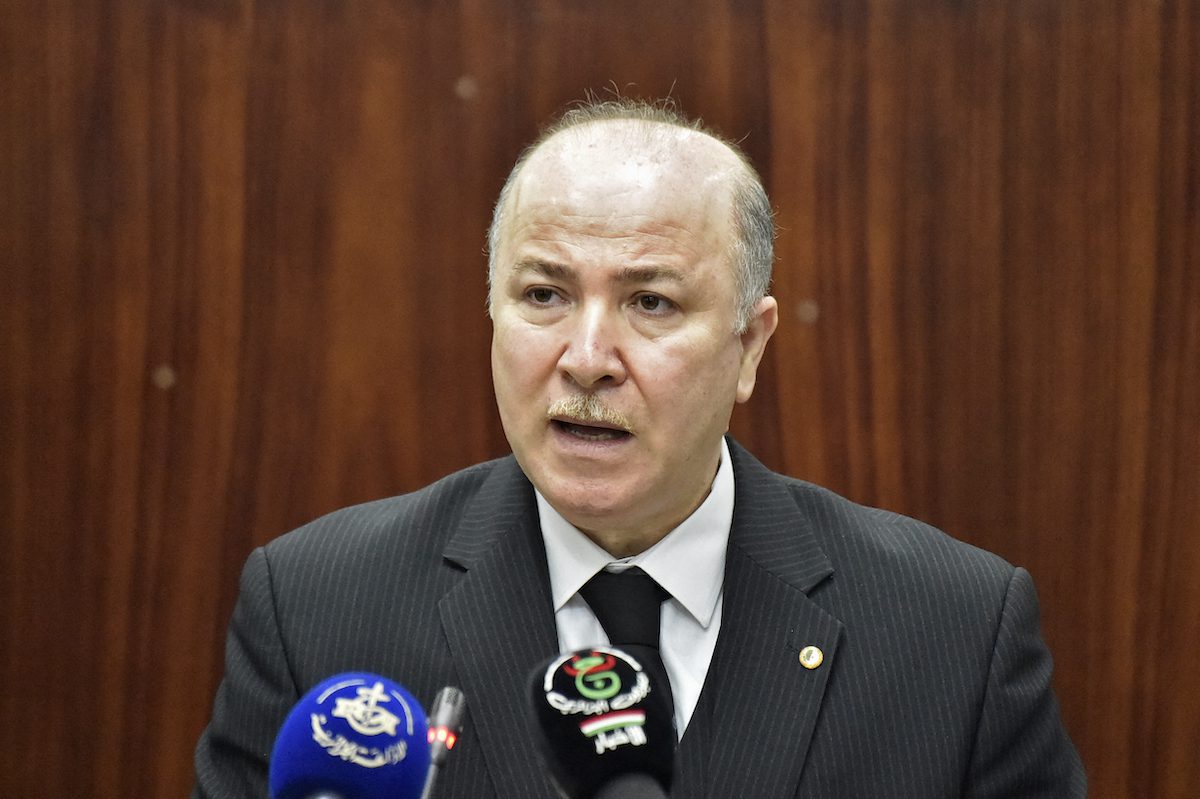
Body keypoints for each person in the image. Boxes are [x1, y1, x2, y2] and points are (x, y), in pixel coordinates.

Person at [193, 99, 1086, 797]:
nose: (585, 357)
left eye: (650, 303)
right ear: (492, 312)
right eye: (543, 294)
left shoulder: (956, 632)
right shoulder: (315, 607)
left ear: (749, 345)